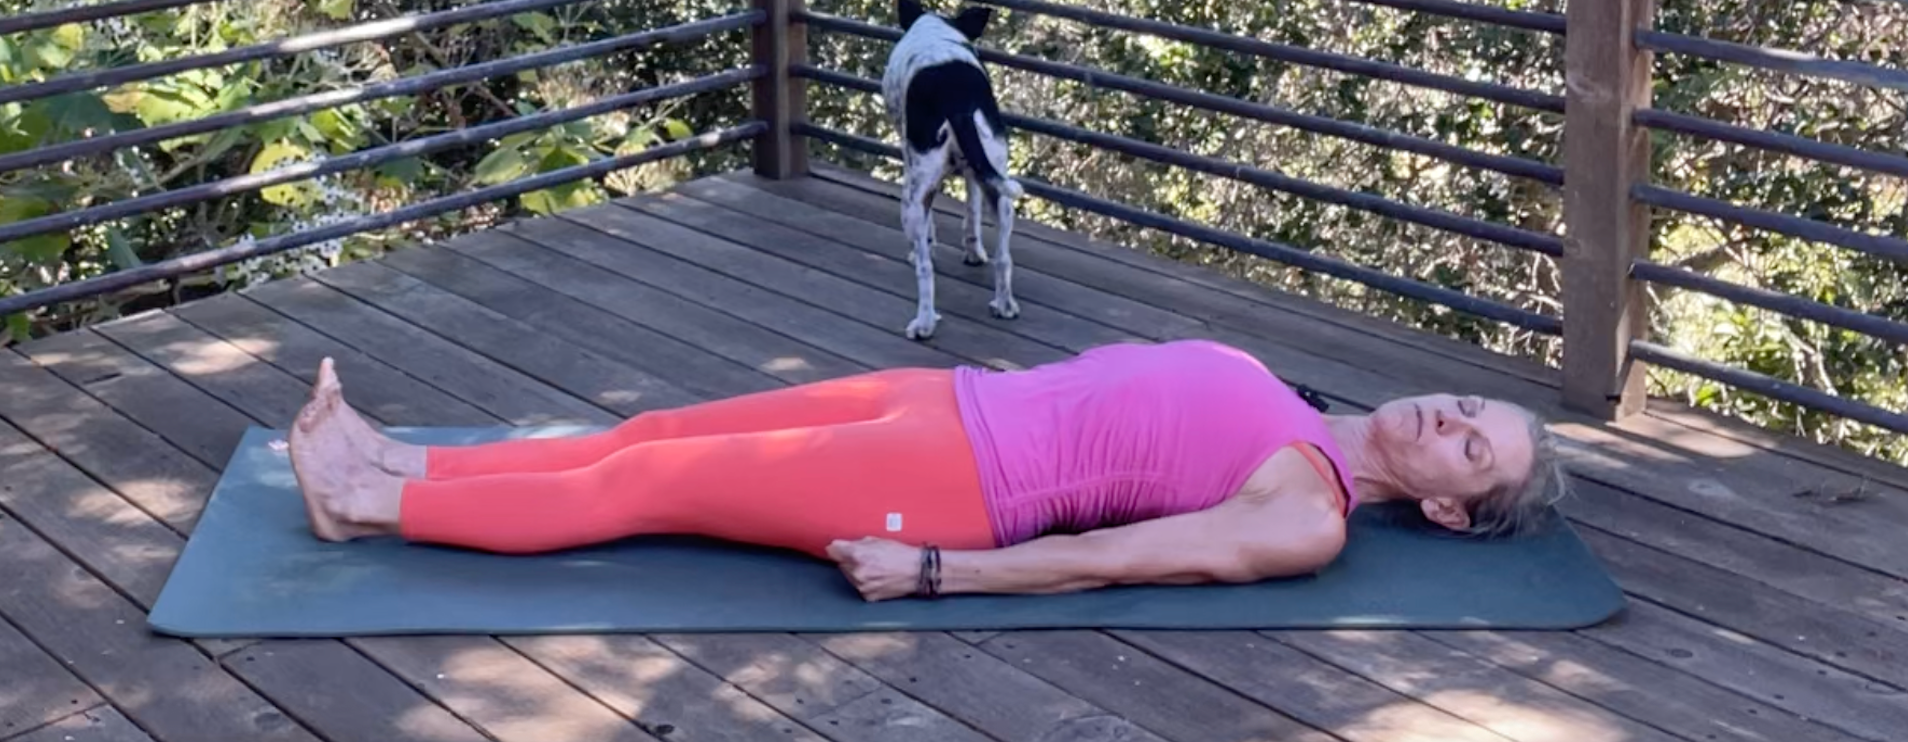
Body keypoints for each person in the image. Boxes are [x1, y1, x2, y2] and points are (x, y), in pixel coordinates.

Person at [284, 338, 1567, 601]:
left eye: (1471, 443)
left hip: (961, 488)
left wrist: (939, 571)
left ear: (1451, 508)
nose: (1451, 415)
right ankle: (414, 456)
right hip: (946, 399)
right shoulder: (1302, 402)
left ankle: (365, 504)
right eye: (1468, 403)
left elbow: (1114, 559)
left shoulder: (1311, 516)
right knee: (654, 434)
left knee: (644, 491)